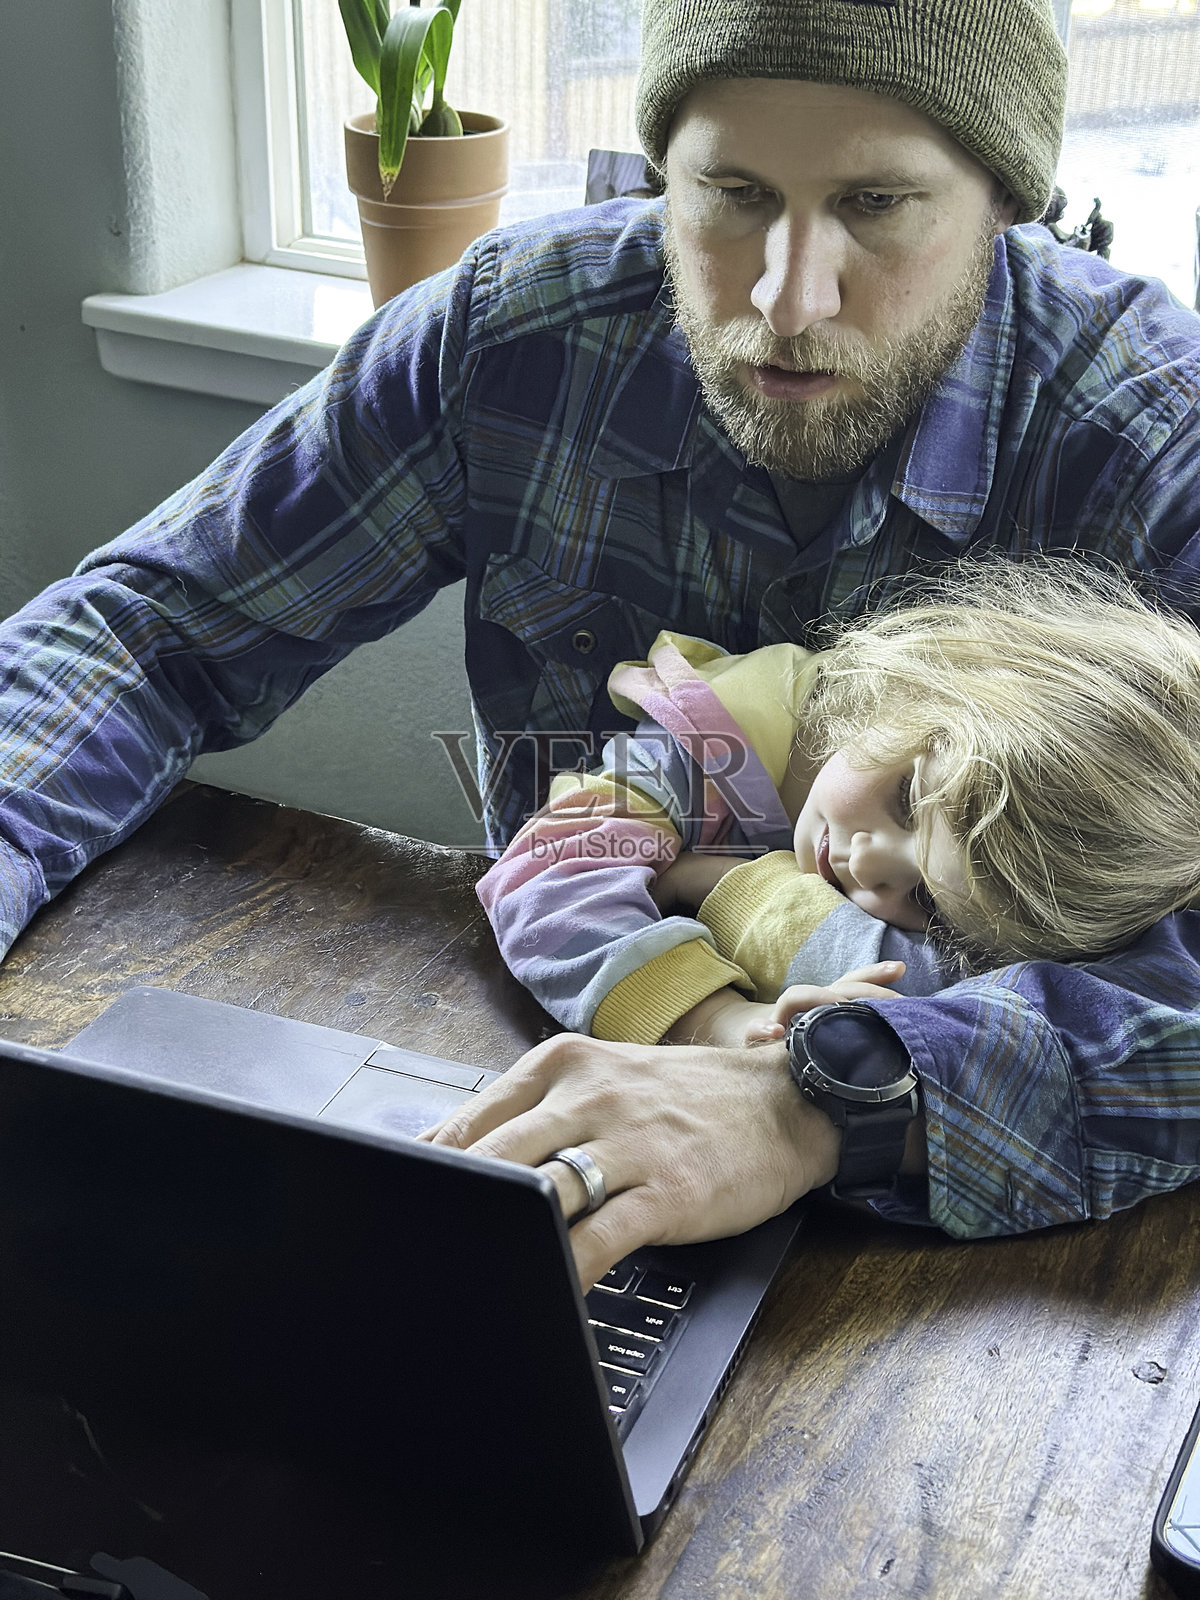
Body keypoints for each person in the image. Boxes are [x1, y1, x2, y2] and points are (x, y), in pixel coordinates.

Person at [2, 0, 1200, 1284]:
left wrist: (817, 1099)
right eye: (732, 193)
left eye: (878, 205)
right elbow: (147, 629)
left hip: (966, 1255)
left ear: (1007, 203)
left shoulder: (1152, 441)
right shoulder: (510, 339)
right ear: (659, 169)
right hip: (523, 1078)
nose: (788, 298)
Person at [476, 559, 1200, 1050]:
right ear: (937, 675)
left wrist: (726, 885)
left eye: (930, 904)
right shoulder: (704, 737)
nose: (871, 865)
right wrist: (714, 1020)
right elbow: (543, 875)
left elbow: (959, 987)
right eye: (910, 800)